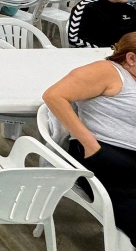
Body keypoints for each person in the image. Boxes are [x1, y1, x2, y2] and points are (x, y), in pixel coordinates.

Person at [42, 34, 136, 246]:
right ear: (131, 58)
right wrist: (90, 145)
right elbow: (54, 96)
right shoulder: (108, 72)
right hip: (108, 158)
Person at [69, 0, 136, 48]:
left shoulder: (128, 8)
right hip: (95, 53)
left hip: (126, 52)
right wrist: (113, 50)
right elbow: (75, 39)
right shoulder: (87, 7)